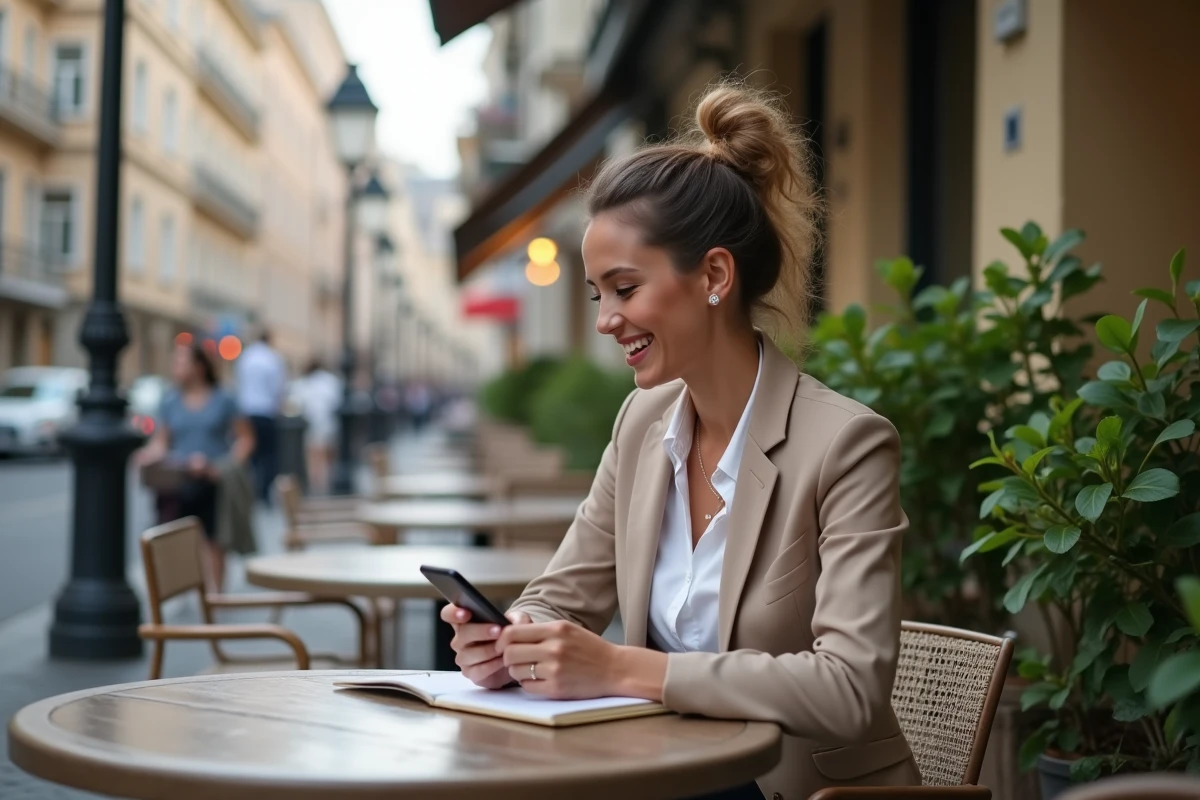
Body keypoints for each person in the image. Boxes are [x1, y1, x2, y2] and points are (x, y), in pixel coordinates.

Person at [440, 82, 920, 800]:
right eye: (598, 294)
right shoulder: (643, 427)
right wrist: (514, 640)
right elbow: (560, 597)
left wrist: (623, 670)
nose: (606, 320)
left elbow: (848, 688)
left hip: (792, 788)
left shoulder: (846, 445)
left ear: (715, 276)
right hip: (659, 774)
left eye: (624, 289)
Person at [135, 342, 255, 591]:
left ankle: (216, 596)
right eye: (174, 361)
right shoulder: (170, 401)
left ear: (199, 366)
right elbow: (162, 441)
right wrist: (147, 455)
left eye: (181, 361)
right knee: (181, 539)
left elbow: (246, 439)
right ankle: (192, 591)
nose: (175, 367)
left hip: (213, 480)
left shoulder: (223, 399)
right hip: (180, 480)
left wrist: (223, 467)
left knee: (215, 539)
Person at [235, 330, 287, 503]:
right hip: (266, 412)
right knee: (269, 455)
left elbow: (239, 384)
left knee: (251, 456)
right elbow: (278, 389)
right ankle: (264, 493)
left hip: (247, 412)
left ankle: (251, 490)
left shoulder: (246, 357)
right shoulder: (273, 358)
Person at [291, 359, 341, 494]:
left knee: (313, 456)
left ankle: (316, 484)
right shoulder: (330, 381)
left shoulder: (303, 383)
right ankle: (325, 483)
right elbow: (336, 401)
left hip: (311, 423)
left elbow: (296, 403)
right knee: (327, 455)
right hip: (328, 422)